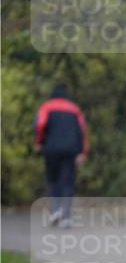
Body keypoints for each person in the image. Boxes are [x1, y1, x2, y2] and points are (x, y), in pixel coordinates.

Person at [33, 83, 88, 226]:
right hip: (71, 150)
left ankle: (55, 210)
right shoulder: (74, 109)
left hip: (50, 149)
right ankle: (66, 217)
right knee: (67, 182)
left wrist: (39, 141)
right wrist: (82, 151)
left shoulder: (46, 107)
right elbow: (82, 131)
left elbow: (40, 124)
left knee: (53, 179)